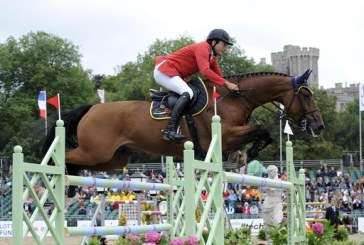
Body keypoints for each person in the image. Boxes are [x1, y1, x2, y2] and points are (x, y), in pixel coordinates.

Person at [153, 29, 239, 142]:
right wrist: (227, 83)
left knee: (190, 92)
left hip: (174, 73)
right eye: (224, 45)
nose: (225, 49)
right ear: (214, 42)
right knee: (188, 93)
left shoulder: (212, 57)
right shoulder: (203, 47)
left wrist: (231, 88)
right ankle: (170, 129)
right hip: (164, 70)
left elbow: (220, 78)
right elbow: (205, 71)